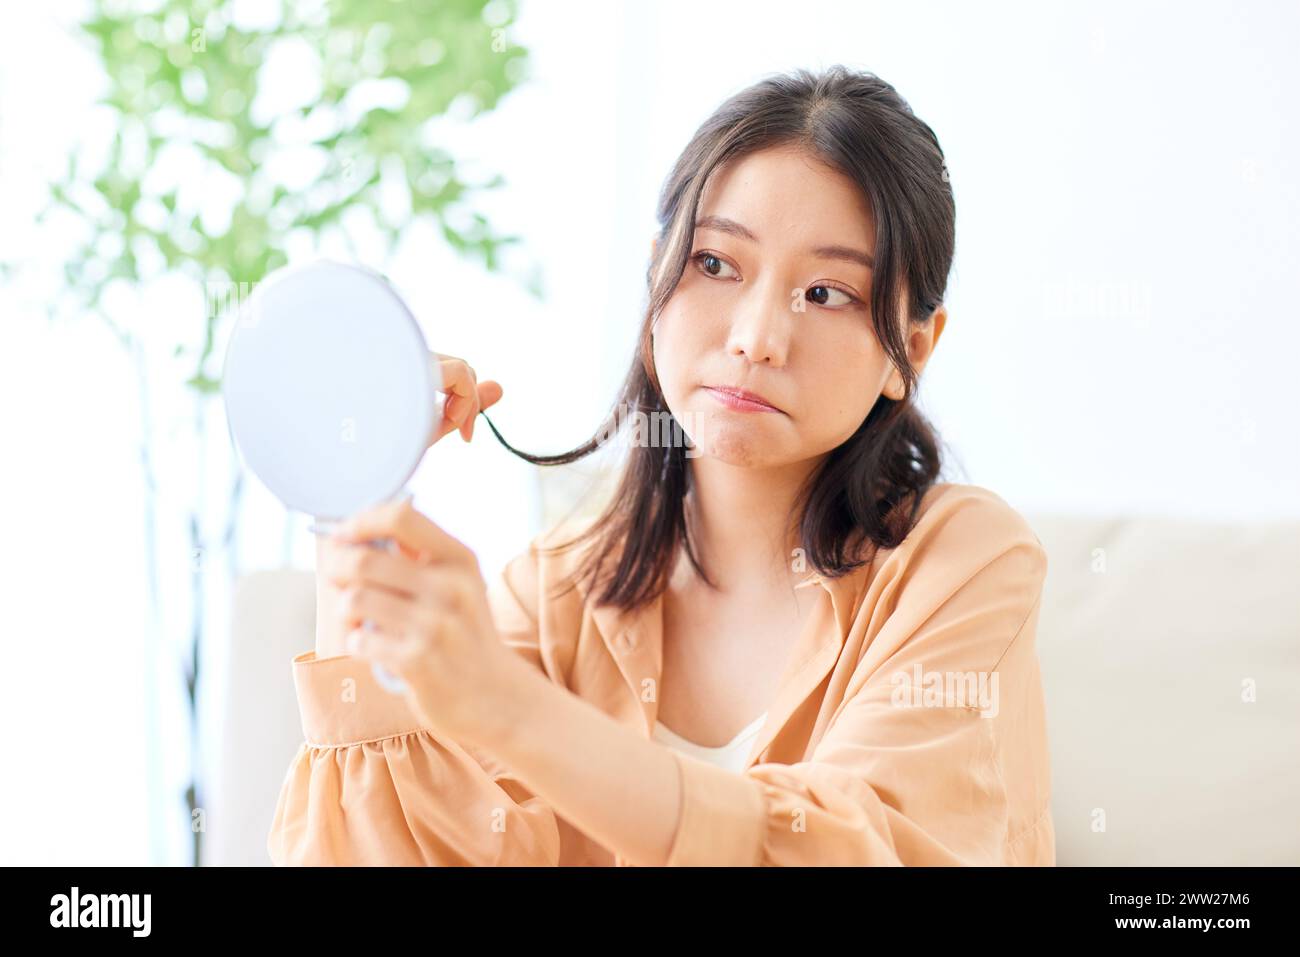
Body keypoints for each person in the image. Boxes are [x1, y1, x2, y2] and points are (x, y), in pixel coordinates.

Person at [267, 65, 1054, 867]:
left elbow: (848, 850)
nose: (755, 337)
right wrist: (356, 492)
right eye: (716, 264)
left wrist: (508, 708)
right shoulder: (559, 589)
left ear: (909, 351)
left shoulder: (966, 564)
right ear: (658, 279)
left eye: (825, 293)